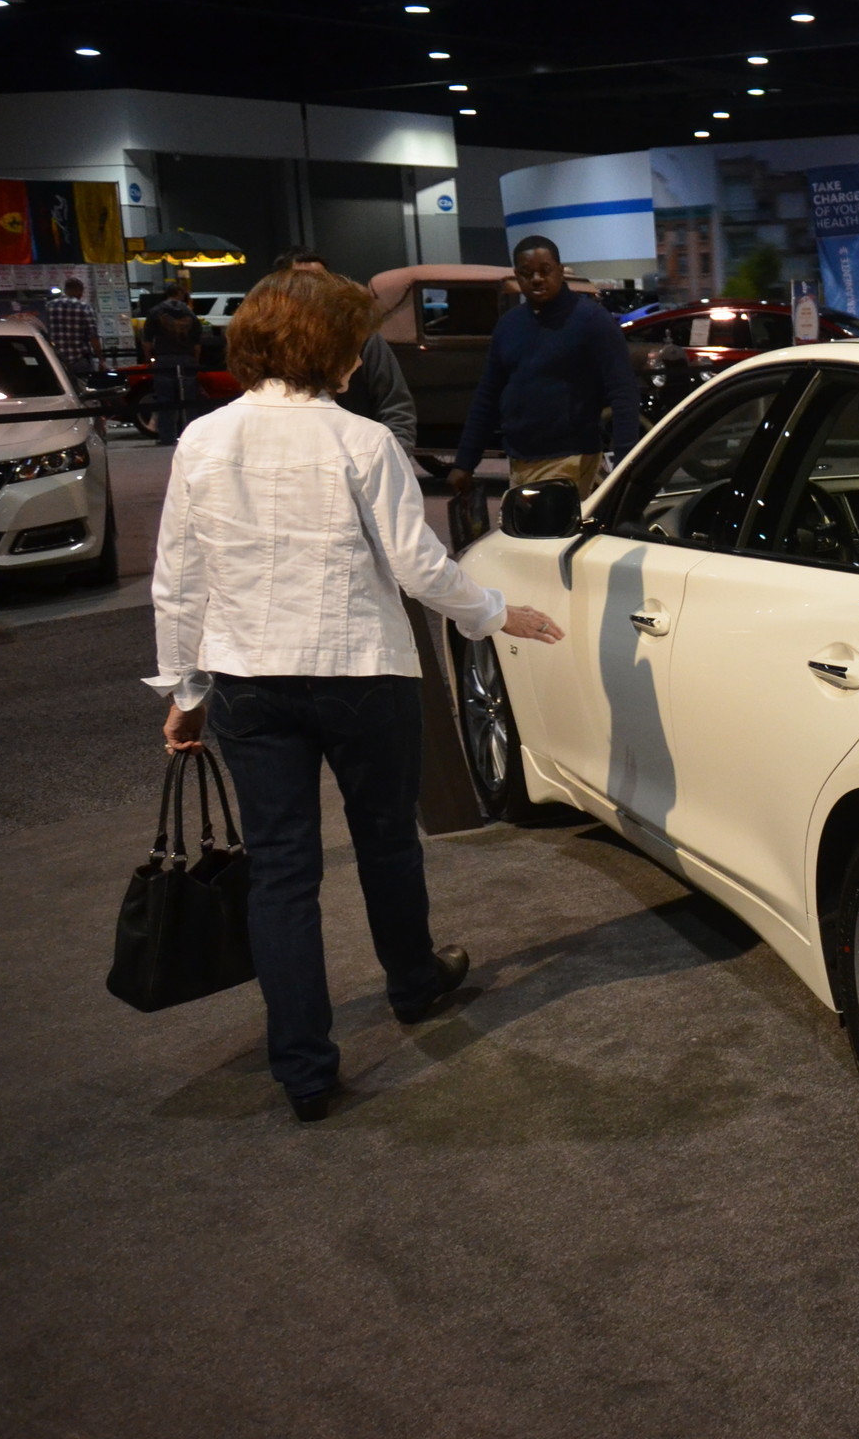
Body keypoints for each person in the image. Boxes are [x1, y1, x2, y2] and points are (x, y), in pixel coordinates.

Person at [149, 268, 566, 1121]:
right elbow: (417, 568)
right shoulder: (362, 442)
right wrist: (496, 612)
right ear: (330, 350)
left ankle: (303, 1069)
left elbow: (178, 582)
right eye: (353, 343)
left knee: (283, 875)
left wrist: (186, 690)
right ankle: (413, 983)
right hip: (360, 672)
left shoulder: (201, 440)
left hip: (248, 681)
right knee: (385, 843)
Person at [449, 236, 640, 502]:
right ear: (517, 276)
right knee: (532, 538)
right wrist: (465, 462)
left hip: (570, 457)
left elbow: (624, 393)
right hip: (519, 459)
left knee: (549, 537)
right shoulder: (509, 325)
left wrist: (624, 463)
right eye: (527, 273)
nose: (537, 279)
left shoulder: (592, 321)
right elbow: (487, 395)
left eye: (545, 271)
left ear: (561, 272)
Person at [274, 249, 417, 451]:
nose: (315, 289)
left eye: (322, 280)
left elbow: (396, 408)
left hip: (358, 459)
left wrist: (390, 459)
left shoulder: (360, 336)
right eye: (304, 282)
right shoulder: (270, 342)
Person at [142, 290, 205, 446]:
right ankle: (191, 436)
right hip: (186, 358)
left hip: (164, 359)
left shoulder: (155, 312)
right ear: (181, 295)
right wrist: (195, 360)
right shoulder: (190, 313)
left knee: (165, 400)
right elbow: (197, 343)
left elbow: (147, 339)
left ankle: (167, 437)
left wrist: (149, 358)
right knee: (189, 400)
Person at [40, 276, 102, 377]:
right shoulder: (84, 307)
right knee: (83, 387)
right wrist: (101, 359)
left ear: (65, 290)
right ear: (79, 291)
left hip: (56, 359)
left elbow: (43, 331)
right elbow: (93, 337)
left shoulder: (49, 306)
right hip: (79, 359)